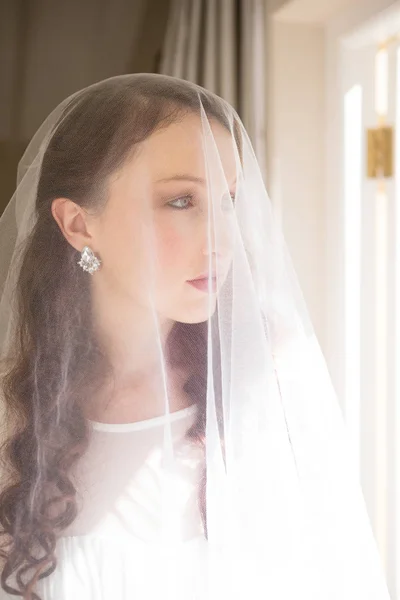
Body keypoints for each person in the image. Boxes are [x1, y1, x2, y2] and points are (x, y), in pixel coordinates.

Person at [0, 74, 391, 600]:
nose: (223, 237)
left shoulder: (265, 385)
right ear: (78, 224)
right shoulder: (16, 410)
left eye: (228, 200)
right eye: (181, 201)